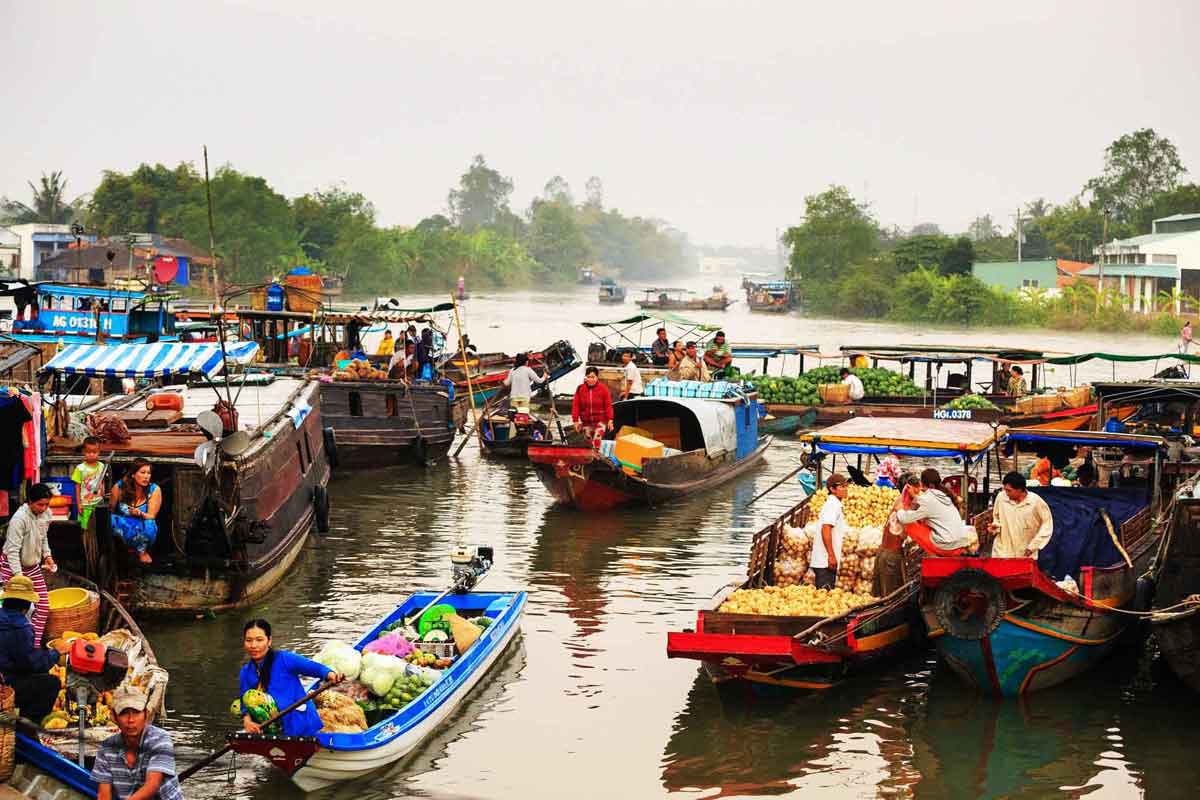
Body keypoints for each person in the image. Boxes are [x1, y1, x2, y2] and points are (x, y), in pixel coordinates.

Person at [240, 618, 341, 737]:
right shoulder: (245, 672)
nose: (253, 645)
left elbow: (313, 668)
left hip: (300, 725)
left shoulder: (284, 659)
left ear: (269, 640)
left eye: (259, 640)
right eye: (249, 640)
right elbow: (244, 705)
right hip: (272, 731)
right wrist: (247, 722)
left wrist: (331, 675)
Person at [92, 686, 182, 800]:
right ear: (114, 717)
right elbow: (103, 795)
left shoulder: (159, 739)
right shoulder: (106, 748)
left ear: (146, 714)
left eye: (136, 712)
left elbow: (152, 784)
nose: (131, 720)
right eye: (124, 713)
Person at [0, 575, 65, 722]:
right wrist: (56, 652)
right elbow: (31, 664)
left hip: (5, 674)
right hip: (7, 683)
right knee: (51, 683)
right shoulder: (20, 627)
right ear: (27, 605)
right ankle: (28, 724)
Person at [0, 484, 55, 647]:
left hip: (32, 566)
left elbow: (43, 537)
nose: (44, 508)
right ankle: (9, 646)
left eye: (47, 504)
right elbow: (12, 550)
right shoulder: (19, 519)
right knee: (14, 610)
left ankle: (33, 646)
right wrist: (18, 576)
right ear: (30, 502)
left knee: (43, 606)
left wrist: (48, 555)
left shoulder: (46, 514)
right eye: (40, 504)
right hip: (12, 566)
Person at [895, 468, 971, 553]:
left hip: (947, 547)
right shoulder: (942, 495)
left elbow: (904, 519)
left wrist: (899, 510)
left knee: (910, 525)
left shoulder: (928, 499)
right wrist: (914, 495)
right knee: (924, 523)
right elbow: (927, 502)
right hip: (958, 543)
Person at [991, 472, 1055, 558]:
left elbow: (1047, 524)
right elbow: (996, 517)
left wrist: (1033, 546)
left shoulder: (1035, 501)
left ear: (1020, 489)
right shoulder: (1001, 497)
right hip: (1002, 551)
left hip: (1026, 552)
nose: (1006, 493)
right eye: (1005, 490)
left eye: (1009, 490)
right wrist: (995, 527)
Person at [109, 459, 161, 565]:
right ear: (133, 474)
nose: (146, 476)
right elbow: (110, 509)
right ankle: (122, 549)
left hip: (141, 528)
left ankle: (141, 551)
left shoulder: (154, 489)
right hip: (123, 528)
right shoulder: (119, 487)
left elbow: (151, 516)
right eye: (142, 472)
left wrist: (140, 513)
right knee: (110, 519)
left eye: (149, 473)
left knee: (150, 524)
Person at [875, 474, 919, 596]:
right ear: (909, 488)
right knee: (891, 598)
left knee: (889, 595)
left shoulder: (902, 502)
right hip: (890, 557)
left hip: (887, 554)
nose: (919, 492)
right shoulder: (903, 507)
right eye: (917, 488)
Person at [813, 474, 849, 589]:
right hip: (824, 562)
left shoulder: (835, 504)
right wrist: (831, 555)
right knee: (824, 596)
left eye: (846, 485)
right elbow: (826, 528)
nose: (846, 489)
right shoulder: (832, 505)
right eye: (842, 486)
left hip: (825, 561)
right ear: (832, 489)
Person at [73, 436, 107, 531]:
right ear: (83, 452)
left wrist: (103, 492)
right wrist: (79, 504)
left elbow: (102, 481)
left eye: (94, 452)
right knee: (85, 529)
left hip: (99, 503)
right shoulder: (80, 468)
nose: (91, 454)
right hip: (85, 505)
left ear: (99, 452)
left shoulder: (102, 466)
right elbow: (77, 487)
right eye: (88, 452)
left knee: (98, 528)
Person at [571, 367, 614, 440]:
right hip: (586, 422)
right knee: (588, 443)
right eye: (588, 377)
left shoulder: (603, 389)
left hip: (601, 422)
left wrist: (610, 420)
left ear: (597, 377)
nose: (590, 379)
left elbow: (608, 406)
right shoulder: (580, 389)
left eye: (593, 377)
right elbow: (576, 405)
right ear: (586, 377)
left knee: (597, 441)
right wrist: (575, 420)